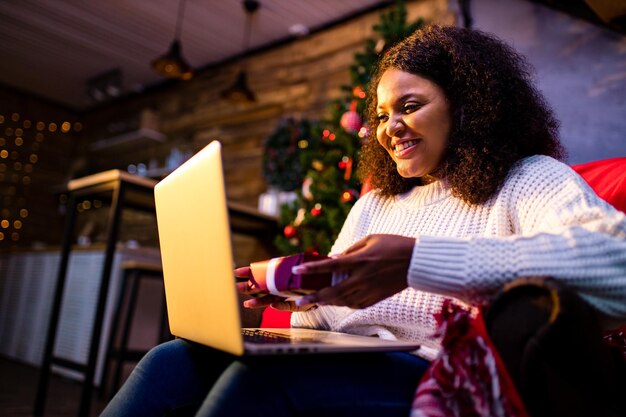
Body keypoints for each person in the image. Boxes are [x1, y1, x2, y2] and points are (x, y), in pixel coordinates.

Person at [101, 25, 626, 417]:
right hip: (352, 363)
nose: (388, 128)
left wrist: (416, 262)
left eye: (410, 105)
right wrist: (306, 299)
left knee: (254, 385)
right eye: (380, 115)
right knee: (172, 360)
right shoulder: (373, 205)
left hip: (438, 378)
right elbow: (331, 327)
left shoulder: (526, 179)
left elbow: (617, 266)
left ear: (469, 107)